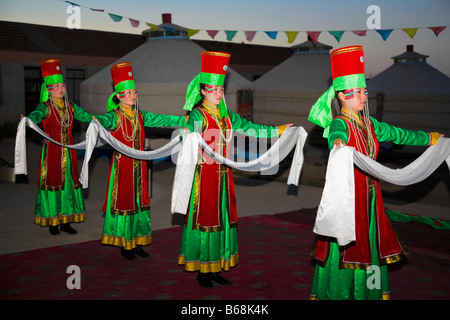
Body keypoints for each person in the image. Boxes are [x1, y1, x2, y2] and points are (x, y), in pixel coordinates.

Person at [307, 45, 444, 300]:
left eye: (364, 91)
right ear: (344, 95)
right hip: (349, 202)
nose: (364, 96)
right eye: (358, 91)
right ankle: (340, 293)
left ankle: (368, 292)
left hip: (371, 199)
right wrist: (337, 144)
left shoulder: (370, 124)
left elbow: (399, 133)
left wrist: (430, 138)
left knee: (370, 244)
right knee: (347, 248)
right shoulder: (341, 123)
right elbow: (336, 135)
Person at [178, 51, 292, 288]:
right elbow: (187, 133)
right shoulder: (198, 115)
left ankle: (217, 265)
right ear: (202, 91)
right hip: (204, 177)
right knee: (206, 221)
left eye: (221, 89)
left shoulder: (227, 116)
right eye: (213, 89)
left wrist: (277, 130)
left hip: (223, 175)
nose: (218, 94)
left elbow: (251, 128)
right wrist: (187, 133)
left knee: (223, 220)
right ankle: (203, 269)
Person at [94, 62, 185, 261]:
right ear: (118, 96)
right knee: (126, 204)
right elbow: (99, 121)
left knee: (139, 203)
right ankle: (126, 245)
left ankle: (137, 242)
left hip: (140, 167)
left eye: (135, 92)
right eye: (129, 92)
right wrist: (95, 122)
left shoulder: (140, 116)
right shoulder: (114, 117)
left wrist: (187, 121)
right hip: (123, 168)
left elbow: (163, 119)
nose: (134, 95)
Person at [24, 58, 94, 235]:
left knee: (69, 185)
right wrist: (28, 120)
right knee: (53, 184)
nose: (62, 89)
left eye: (63, 86)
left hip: (69, 153)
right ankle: (53, 222)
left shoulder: (70, 107)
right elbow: (35, 115)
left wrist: (100, 120)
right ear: (49, 89)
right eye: (58, 86)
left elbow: (87, 116)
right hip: (52, 153)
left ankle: (66, 221)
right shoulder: (45, 107)